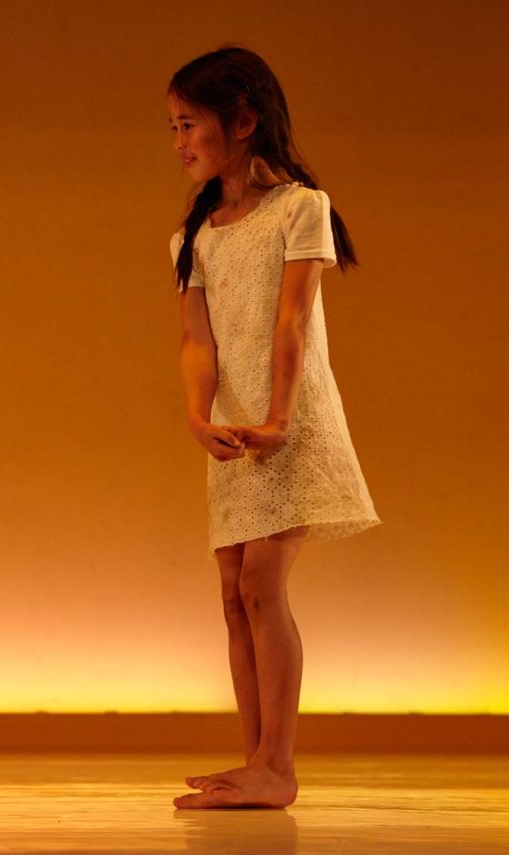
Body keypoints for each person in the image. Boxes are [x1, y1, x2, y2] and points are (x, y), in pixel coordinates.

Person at [167, 45, 382, 810]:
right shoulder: (194, 236)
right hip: (234, 429)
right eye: (173, 127)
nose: (180, 141)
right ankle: (256, 758)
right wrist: (199, 416)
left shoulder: (299, 208)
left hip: (290, 418)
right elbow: (198, 340)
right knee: (234, 591)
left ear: (243, 122)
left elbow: (292, 320)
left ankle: (277, 764)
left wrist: (280, 417)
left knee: (262, 583)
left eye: (190, 124)